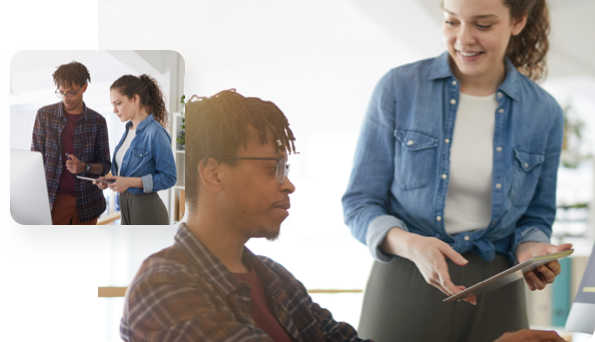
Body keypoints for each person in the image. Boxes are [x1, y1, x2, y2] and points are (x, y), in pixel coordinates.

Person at [120, 89, 566, 342]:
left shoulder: (274, 279)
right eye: (271, 168)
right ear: (213, 173)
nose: (288, 183)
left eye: (286, 168)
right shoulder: (163, 287)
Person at [342, 0, 573, 341]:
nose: (463, 39)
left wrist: (532, 249)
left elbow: (536, 217)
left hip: (499, 286)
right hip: (407, 274)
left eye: (483, 25)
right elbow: (359, 203)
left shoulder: (544, 113)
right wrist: (410, 244)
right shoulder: (398, 89)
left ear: (518, 21)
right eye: (452, 21)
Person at [31, 61, 111, 225]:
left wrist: (84, 167)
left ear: (84, 87)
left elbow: (105, 165)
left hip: (88, 201)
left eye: (72, 93)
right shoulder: (44, 116)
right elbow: (34, 162)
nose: (66, 98)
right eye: (62, 92)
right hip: (54, 201)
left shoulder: (98, 122)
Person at [94, 74, 177, 225]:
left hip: (146, 209)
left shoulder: (155, 132)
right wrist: (109, 179)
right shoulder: (128, 131)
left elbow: (169, 177)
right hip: (125, 206)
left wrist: (129, 182)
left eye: (118, 103)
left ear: (135, 99)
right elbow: (129, 171)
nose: (114, 110)